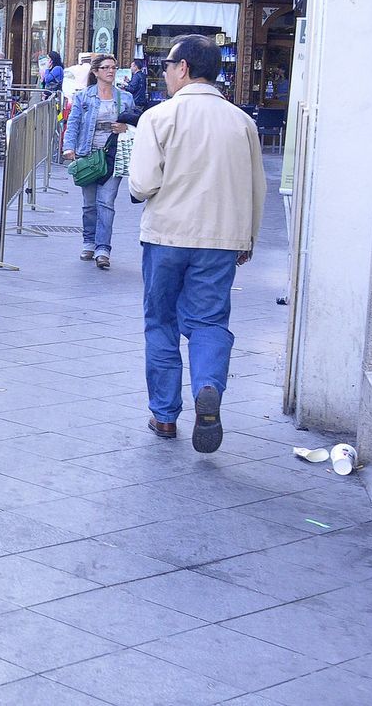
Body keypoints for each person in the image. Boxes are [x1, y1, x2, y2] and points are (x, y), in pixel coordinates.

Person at [128, 34, 266, 452]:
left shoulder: (159, 117)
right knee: (209, 322)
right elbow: (256, 187)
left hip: (166, 235)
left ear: (183, 68)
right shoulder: (242, 122)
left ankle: (164, 416)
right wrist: (248, 237)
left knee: (161, 322)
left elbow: (142, 184)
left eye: (167, 66)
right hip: (221, 238)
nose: (165, 74)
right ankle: (207, 386)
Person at [62, 54, 134, 270]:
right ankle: (89, 243)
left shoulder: (125, 97)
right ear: (95, 72)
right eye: (106, 68)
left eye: (113, 67)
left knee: (106, 203)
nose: (111, 71)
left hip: (113, 157)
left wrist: (126, 127)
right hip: (88, 155)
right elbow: (73, 123)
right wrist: (69, 147)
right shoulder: (84, 97)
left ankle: (103, 249)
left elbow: (137, 123)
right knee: (89, 204)